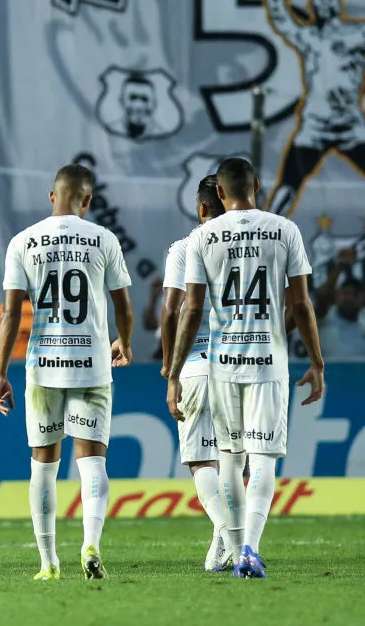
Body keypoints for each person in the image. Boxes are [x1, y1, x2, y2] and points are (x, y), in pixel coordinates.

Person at [168, 157, 325, 579]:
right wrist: (317, 361)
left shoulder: (203, 238)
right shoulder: (284, 229)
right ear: (258, 184)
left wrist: (173, 372)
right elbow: (300, 303)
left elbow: (191, 307)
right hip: (267, 360)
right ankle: (250, 549)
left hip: (221, 364)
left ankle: (235, 545)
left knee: (230, 460)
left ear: (219, 193)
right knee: (265, 457)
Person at [0, 163, 134, 581]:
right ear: (87, 201)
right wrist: (124, 342)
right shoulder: (103, 238)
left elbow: (12, 313)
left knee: (43, 462)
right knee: (92, 461)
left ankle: (48, 562)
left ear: (52, 197)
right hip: (91, 363)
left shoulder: (23, 241)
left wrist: (1, 372)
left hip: (43, 366)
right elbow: (123, 305)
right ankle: (91, 543)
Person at [159, 175, 234, 571]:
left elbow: (172, 308)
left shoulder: (184, 247)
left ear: (202, 207)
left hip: (194, 365)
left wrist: (170, 366)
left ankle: (227, 533)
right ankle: (231, 538)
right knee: (235, 457)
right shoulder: (245, 245)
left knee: (200, 461)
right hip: (241, 363)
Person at [264, 0, 365, 216]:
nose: (323, 2)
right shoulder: (309, 37)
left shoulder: (356, 34)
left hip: (350, 125)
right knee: (290, 182)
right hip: (315, 126)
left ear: (337, 3)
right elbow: (281, 19)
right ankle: (266, 230)